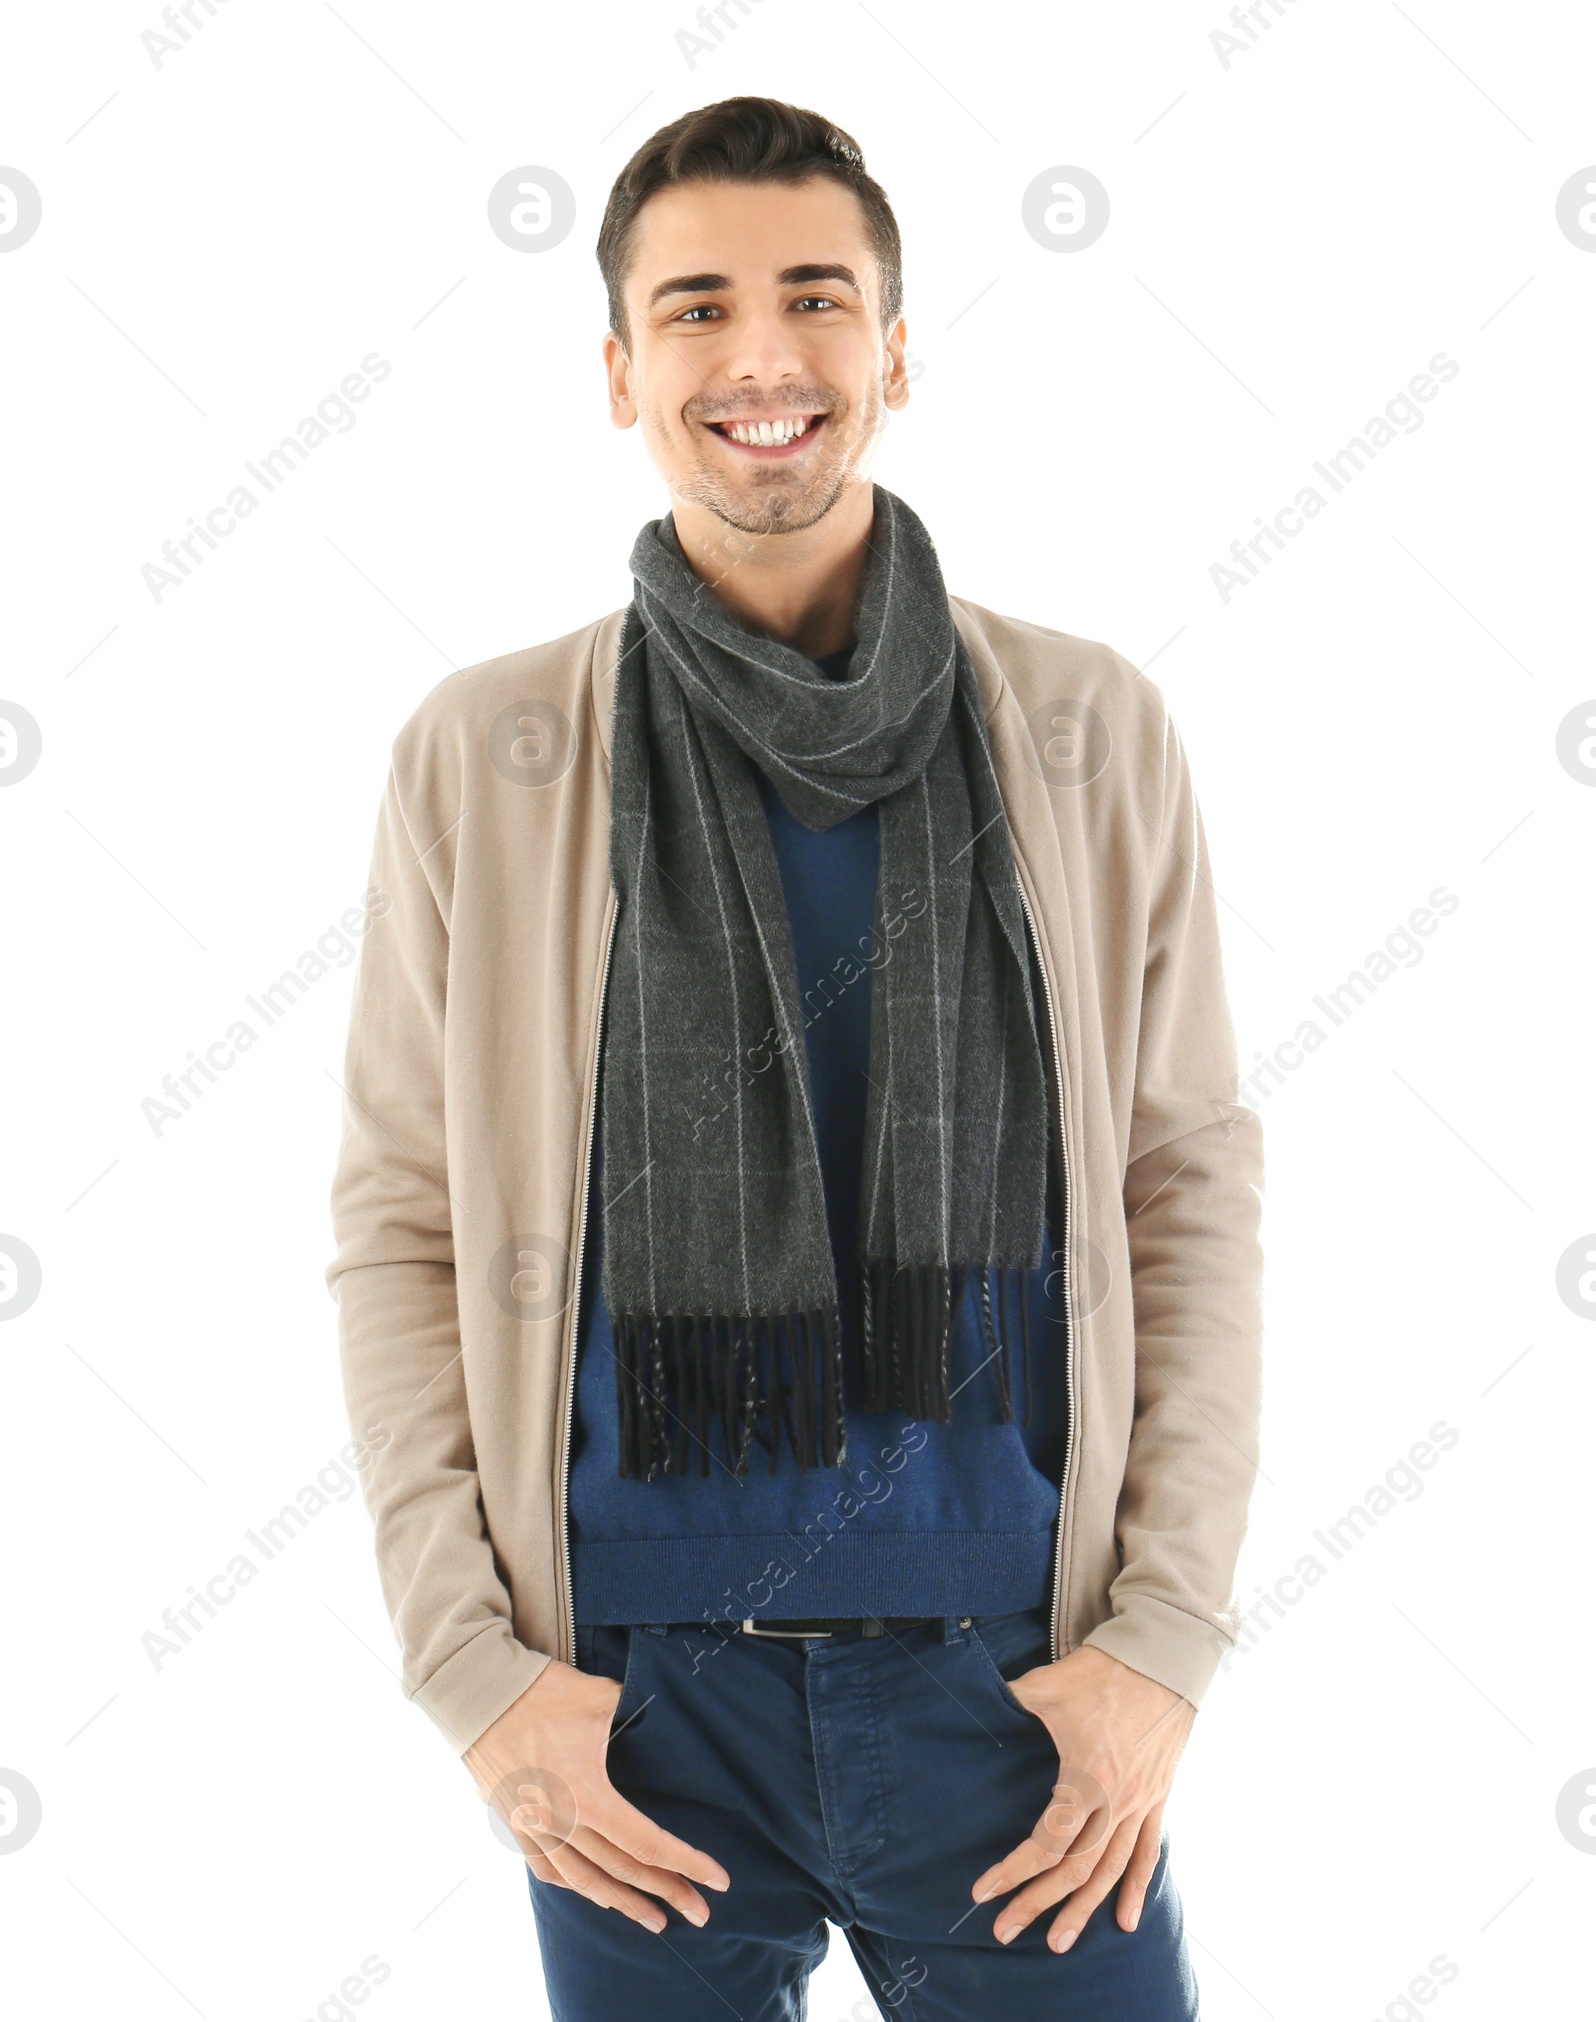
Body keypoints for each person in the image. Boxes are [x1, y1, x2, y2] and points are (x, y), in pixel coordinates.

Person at [325, 94, 1264, 2022]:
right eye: (693, 309)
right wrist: (473, 1676)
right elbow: (403, 1228)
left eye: (816, 297)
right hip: (633, 1713)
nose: (762, 357)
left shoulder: (1085, 727)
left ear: (896, 351)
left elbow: (1191, 1195)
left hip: (1009, 1674)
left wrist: (1159, 1639)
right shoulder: (485, 754)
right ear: (618, 371)